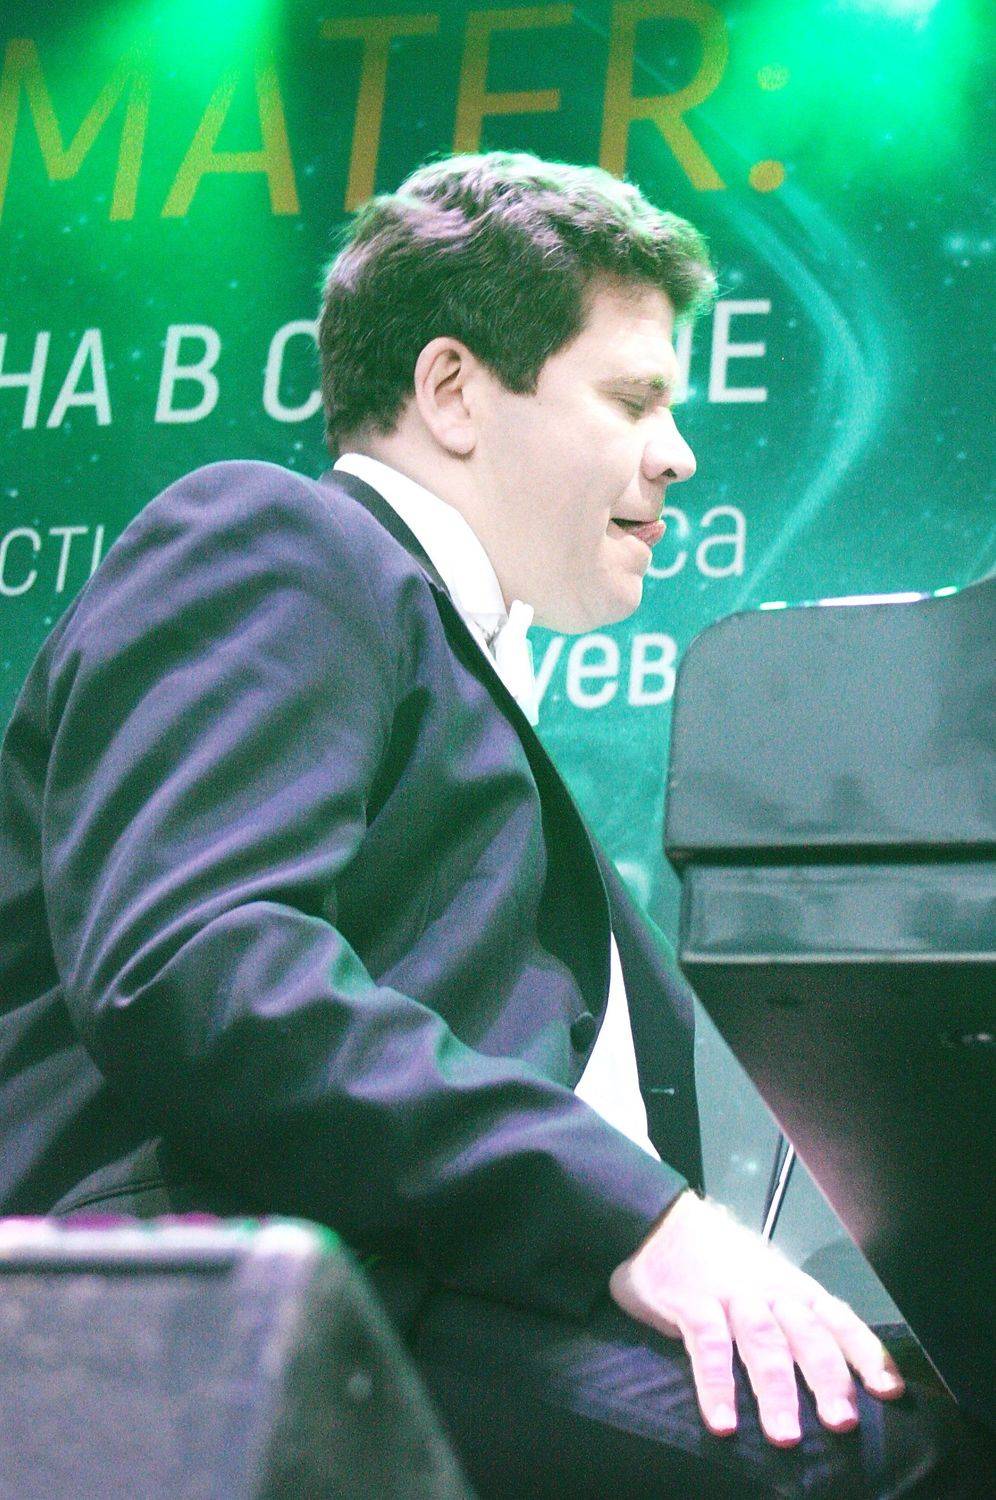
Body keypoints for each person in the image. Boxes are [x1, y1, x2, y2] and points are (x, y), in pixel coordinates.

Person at [0, 152, 986, 1496]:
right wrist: (637, 1221)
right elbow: (202, 963)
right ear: (455, 391)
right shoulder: (273, 539)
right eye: (633, 399)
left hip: (428, 1291)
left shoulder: (449, 670)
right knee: (890, 1463)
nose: (679, 453)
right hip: (226, 1310)